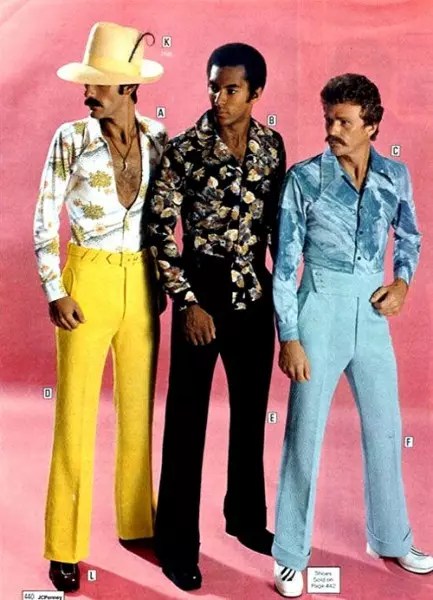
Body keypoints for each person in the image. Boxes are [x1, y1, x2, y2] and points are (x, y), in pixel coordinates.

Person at [271, 73, 433, 598]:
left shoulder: (395, 175)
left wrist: (402, 282)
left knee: (386, 428)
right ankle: (290, 555)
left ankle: (391, 538)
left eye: (343, 121)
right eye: (329, 120)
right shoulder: (304, 179)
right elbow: (284, 266)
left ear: (372, 125)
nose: (332, 130)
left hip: (372, 310)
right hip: (318, 305)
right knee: (305, 433)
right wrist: (289, 336)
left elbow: (410, 236)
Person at [33, 22, 167, 593]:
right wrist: (55, 289)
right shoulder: (70, 138)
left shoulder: (160, 137)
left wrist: (165, 281)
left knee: (138, 411)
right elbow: (44, 217)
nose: (88, 93)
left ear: (129, 88)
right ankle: (64, 546)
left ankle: (138, 523)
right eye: (87, 84)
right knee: (75, 415)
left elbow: (166, 217)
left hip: (142, 281)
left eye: (99, 84)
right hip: (86, 279)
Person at [147, 42, 286, 591]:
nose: (219, 98)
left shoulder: (272, 146)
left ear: (256, 93)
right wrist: (186, 302)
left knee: (251, 414)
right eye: (213, 87)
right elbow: (159, 232)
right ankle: (177, 544)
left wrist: (284, 301)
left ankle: (246, 519)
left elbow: (275, 227)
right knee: (187, 422)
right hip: (201, 293)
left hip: (254, 294)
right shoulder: (183, 150)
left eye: (231, 89)